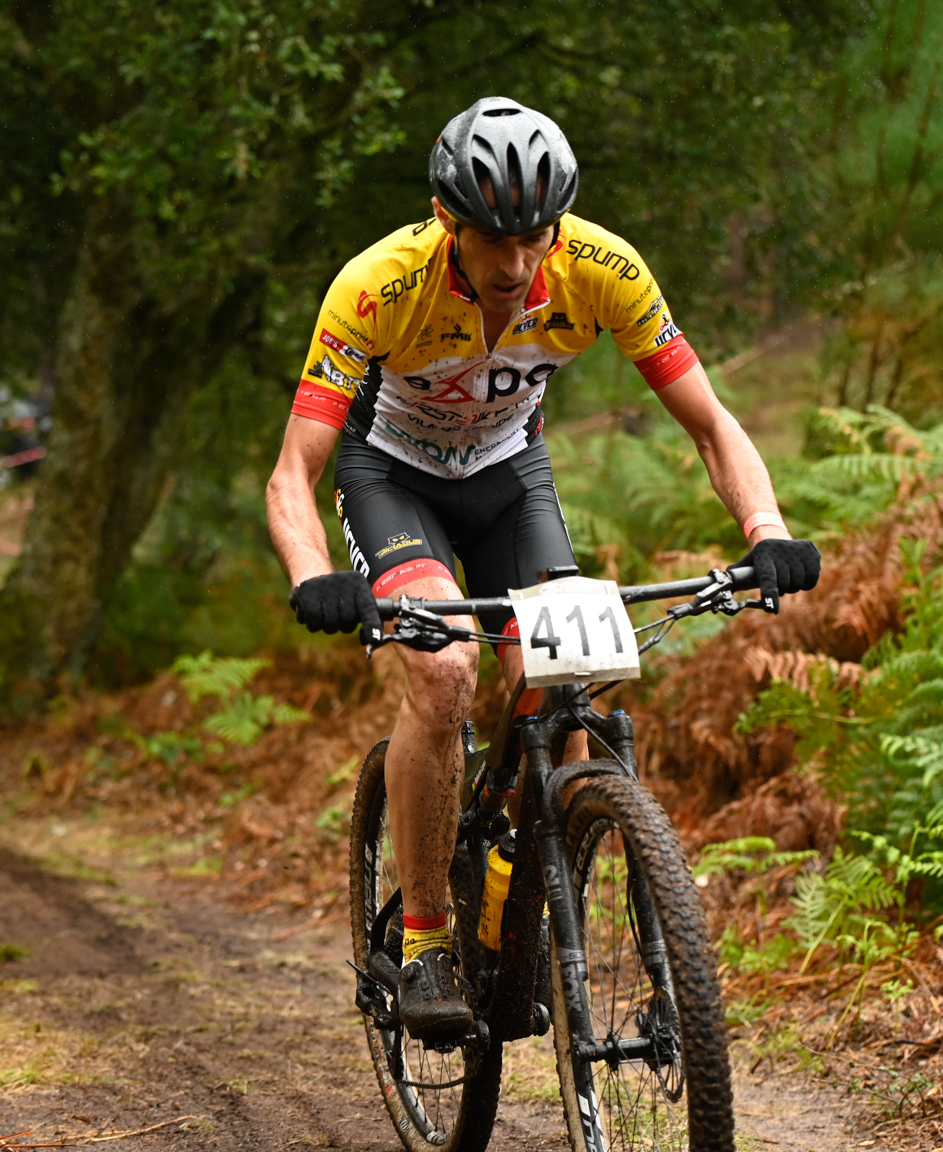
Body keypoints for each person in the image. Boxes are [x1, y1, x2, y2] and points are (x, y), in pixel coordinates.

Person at [265, 96, 820, 1043]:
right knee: (444, 671)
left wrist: (766, 528)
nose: (516, 263)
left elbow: (709, 423)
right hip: (392, 477)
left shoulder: (604, 269)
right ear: (447, 221)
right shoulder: (377, 285)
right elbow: (293, 473)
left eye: (535, 237)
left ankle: (520, 887)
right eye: (494, 238)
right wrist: (314, 572)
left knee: (572, 679)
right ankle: (427, 939)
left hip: (509, 477)